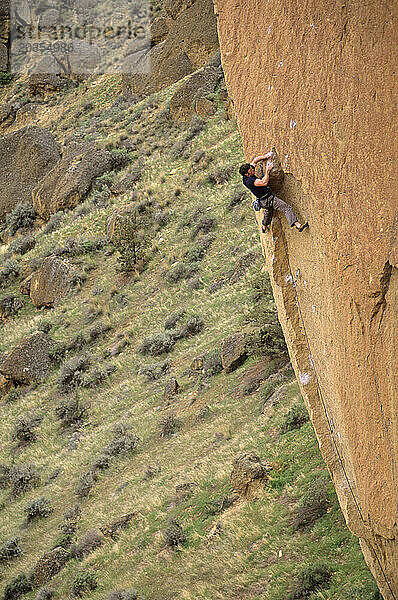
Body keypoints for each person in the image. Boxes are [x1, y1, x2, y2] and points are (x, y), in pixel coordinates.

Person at [239, 152, 309, 234]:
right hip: (269, 199)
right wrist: (267, 171)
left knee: (268, 212)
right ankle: (298, 225)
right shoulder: (250, 181)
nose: (253, 170)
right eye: (250, 171)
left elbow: (255, 161)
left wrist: (265, 156)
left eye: (251, 169)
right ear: (247, 174)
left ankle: (264, 226)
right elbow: (263, 182)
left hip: (263, 201)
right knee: (286, 208)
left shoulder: (247, 174)